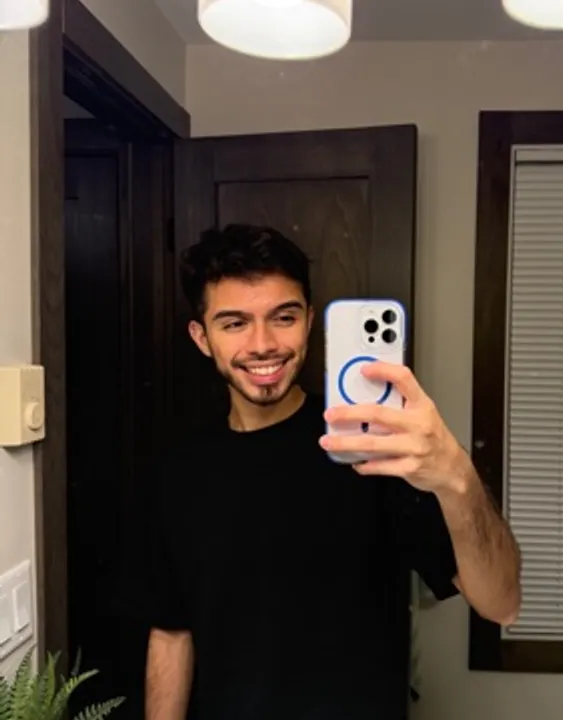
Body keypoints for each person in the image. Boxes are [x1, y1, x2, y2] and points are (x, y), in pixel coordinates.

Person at [143, 224, 521, 720]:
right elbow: (171, 633)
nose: (263, 344)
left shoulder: (377, 449)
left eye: (283, 317)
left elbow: (501, 603)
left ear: (309, 321)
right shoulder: (178, 471)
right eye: (234, 323)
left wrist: (457, 476)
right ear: (202, 337)